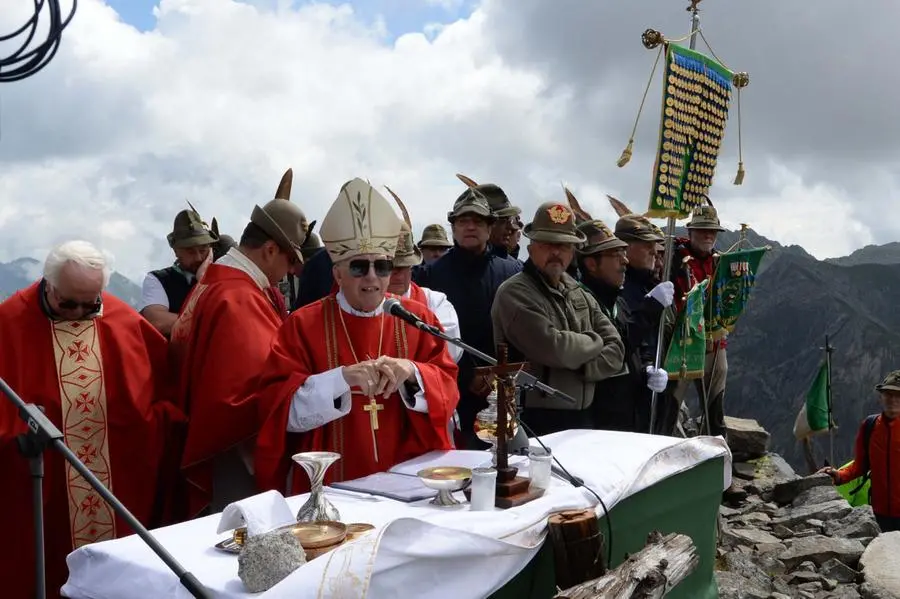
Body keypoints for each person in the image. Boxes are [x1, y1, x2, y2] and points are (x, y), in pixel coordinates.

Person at [0, 240, 184, 599]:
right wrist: (13, 439)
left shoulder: (122, 320)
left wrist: (154, 425)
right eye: (67, 303)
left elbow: (164, 397)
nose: (79, 312)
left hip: (116, 486)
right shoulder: (9, 323)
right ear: (47, 284)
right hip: (42, 486)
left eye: (90, 304)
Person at [254, 179, 459, 492]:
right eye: (359, 267)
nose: (373, 278)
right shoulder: (302, 325)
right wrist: (341, 380)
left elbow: (448, 387)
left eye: (383, 266)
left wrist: (413, 372)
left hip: (408, 479)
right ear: (337, 273)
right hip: (333, 484)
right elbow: (279, 412)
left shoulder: (417, 319)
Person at [170, 168, 308, 517]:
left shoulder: (217, 280)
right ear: (270, 249)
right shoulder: (238, 299)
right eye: (290, 260)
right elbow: (252, 388)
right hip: (231, 453)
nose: (291, 271)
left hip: (200, 435)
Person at [492, 202, 625, 436]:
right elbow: (555, 348)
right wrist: (595, 342)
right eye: (548, 244)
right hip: (535, 420)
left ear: (572, 251)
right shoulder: (514, 293)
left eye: (564, 246)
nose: (556, 252)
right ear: (531, 248)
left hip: (585, 417)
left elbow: (616, 348)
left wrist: (583, 366)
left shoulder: (578, 290)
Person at [414, 188, 521, 449]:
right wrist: (467, 375)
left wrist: (504, 375)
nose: (470, 227)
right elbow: (425, 339)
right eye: (463, 221)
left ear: (489, 226)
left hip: (505, 388)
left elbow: (522, 331)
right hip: (453, 391)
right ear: (453, 226)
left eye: (478, 221)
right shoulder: (429, 276)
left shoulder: (513, 272)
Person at [576, 218, 668, 432]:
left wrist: (648, 369)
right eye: (615, 255)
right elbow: (616, 347)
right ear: (591, 263)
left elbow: (638, 348)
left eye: (623, 253)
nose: (624, 261)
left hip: (629, 413)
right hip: (600, 418)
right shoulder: (581, 304)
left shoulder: (618, 300)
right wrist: (648, 311)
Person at [670, 205, 728, 437]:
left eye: (712, 231)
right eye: (702, 230)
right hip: (682, 341)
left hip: (714, 341)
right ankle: (665, 442)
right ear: (691, 231)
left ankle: (717, 444)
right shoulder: (675, 258)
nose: (708, 235)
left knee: (715, 399)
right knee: (672, 399)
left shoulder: (719, 262)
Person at [614, 214, 675, 432]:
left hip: (647, 381)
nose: (653, 251)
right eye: (646, 245)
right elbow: (623, 337)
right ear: (627, 248)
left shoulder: (647, 282)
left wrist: (650, 365)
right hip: (624, 390)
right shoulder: (621, 285)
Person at [820, 371, 900, 533]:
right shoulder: (870, 426)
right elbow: (861, 465)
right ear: (881, 397)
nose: (893, 400)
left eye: (898, 395)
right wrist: (839, 475)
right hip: (880, 514)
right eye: (888, 394)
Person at [139, 208, 217, 336]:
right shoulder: (158, 279)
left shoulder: (222, 276)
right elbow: (158, 322)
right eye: (190, 252)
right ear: (176, 251)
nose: (198, 257)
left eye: (203, 250)